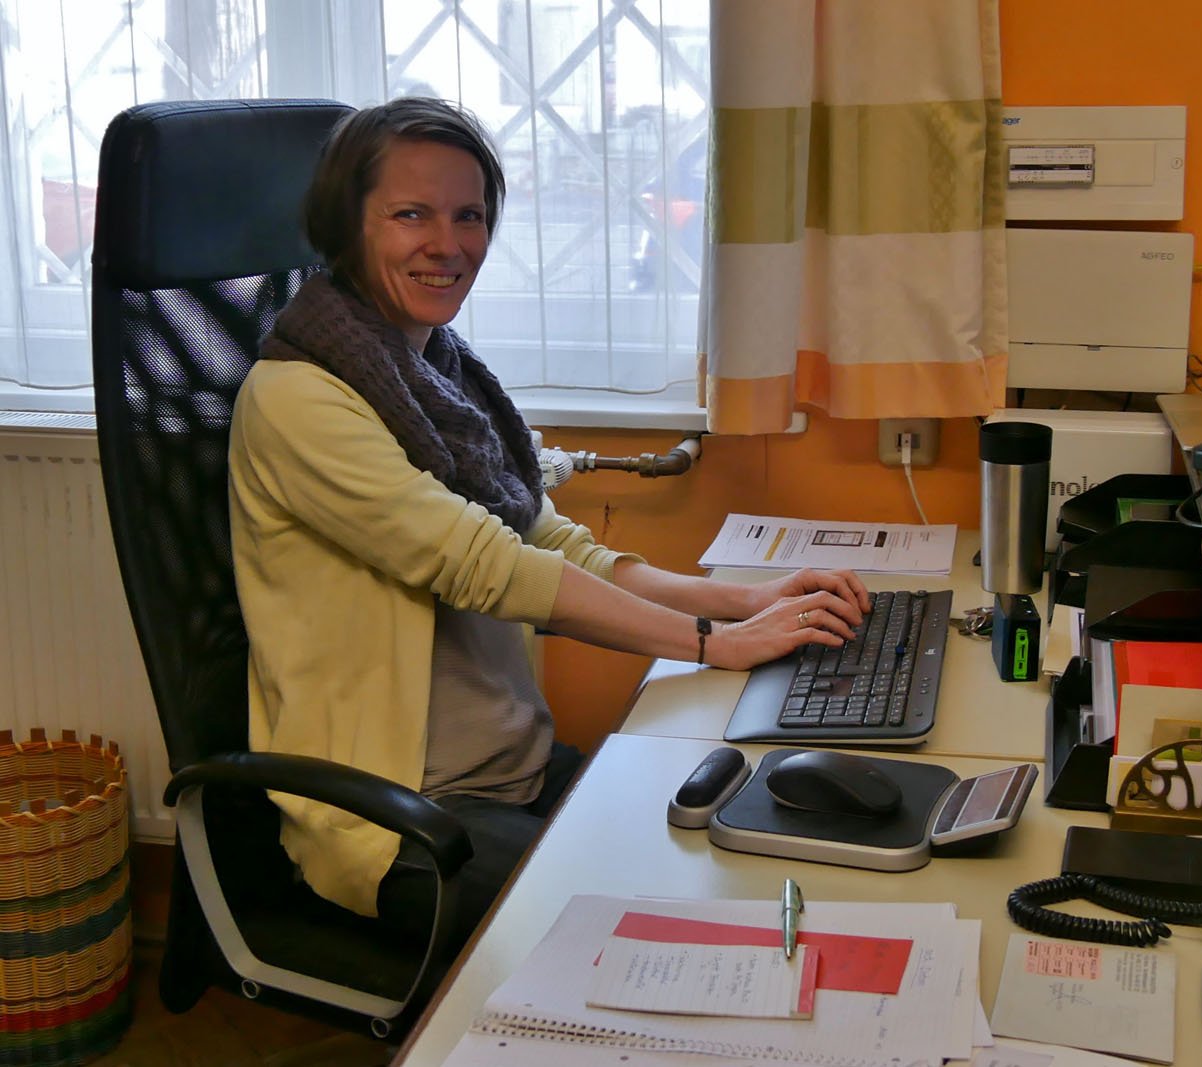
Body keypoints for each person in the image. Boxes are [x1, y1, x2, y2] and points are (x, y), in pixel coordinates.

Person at [227, 96, 870, 954]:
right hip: (403, 818)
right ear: (349, 225)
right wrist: (711, 644)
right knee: (669, 940)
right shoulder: (296, 399)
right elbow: (486, 565)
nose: (447, 243)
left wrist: (745, 602)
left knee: (738, 866)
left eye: (469, 216)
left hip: (515, 774)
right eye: (411, 214)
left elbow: (555, 545)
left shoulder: (437, 376)